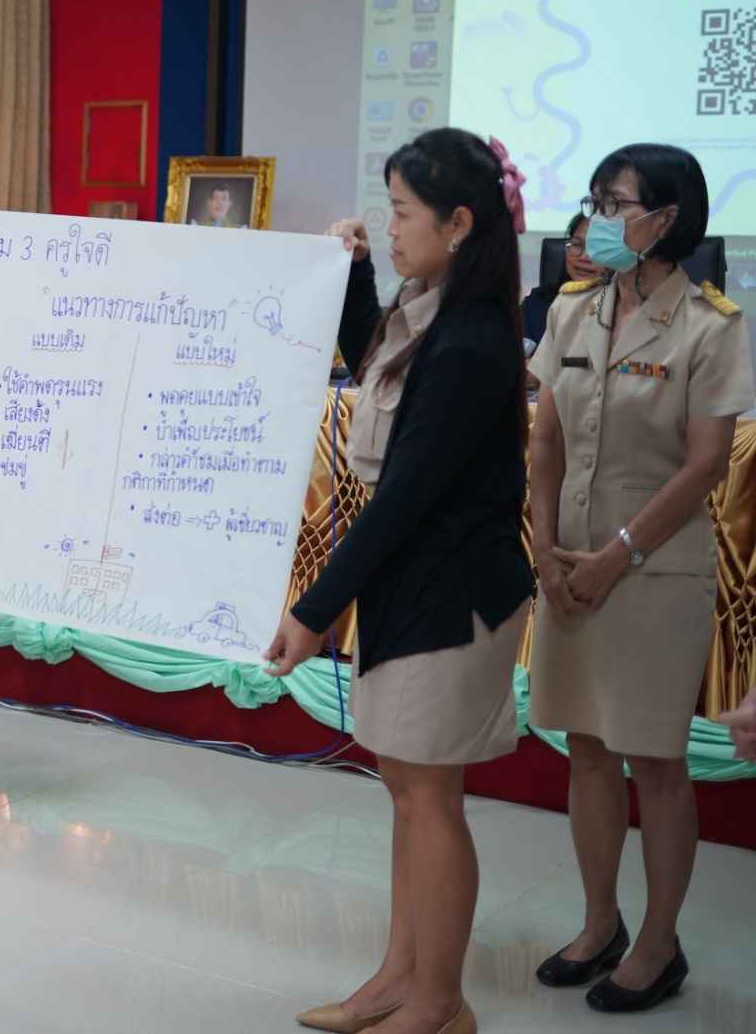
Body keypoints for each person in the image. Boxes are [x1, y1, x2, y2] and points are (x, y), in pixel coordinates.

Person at [266, 128, 533, 1034]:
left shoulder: (472, 341)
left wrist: (310, 611)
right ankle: (396, 977)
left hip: (452, 596)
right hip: (411, 586)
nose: (391, 227)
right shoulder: (427, 307)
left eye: (403, 212)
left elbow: (403, 499)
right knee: (407, 791)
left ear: (459, 222)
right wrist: (351, 282)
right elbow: (372, 366)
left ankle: (438, 1003)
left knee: (430, 799)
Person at [526, 143, 753, 1013]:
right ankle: (598, 924)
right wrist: (546, 547)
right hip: (569, 568)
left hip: (653, 573)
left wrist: (616, 553)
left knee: (654, 762)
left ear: (665, 219)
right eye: (594, 198)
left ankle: (659, 944)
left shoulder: (710, 324)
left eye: (616, 201)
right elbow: (544, 436)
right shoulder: (574, 311)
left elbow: (704, 466)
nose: (597, 217)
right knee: (585, 747)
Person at [521, 212, 602, 349]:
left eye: (596, 247)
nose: (584, 257)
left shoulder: (619, 308)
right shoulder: (536, 303)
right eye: (577, 244)